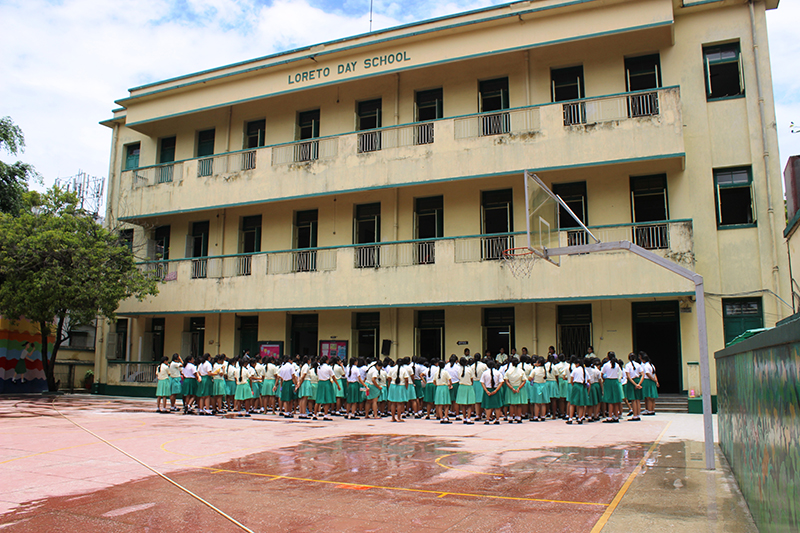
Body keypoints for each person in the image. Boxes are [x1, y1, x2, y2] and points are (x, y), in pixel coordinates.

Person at [601, 351, 624, 423]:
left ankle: (610, 417)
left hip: (608, 381)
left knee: (610, 400)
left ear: (608, 357)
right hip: (615, 382)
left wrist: (604, 379)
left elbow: (602, 374)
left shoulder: (606, 365)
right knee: (616, 400)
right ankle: (616, 416)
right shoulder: (617, 365)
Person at [504, 358, 527, 423]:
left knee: (512, 404)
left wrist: (512, 388)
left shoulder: (508, 371)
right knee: (519, 404)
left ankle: (511, 417)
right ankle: (518, 417)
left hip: (511, 388)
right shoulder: (521, 371)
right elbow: (524, 381)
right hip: (519, 388)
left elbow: (506, 381)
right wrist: (519, 388)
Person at [566, 359, 589, 424]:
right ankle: (580, 418)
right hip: (582, 386)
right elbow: (587, 380)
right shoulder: (585, 371)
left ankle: (570, 418)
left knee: (573, 403)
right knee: (581, 403)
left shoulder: (575, 370)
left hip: (576, 385)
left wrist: (574, 386)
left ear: (578, 364)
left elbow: (571, 380)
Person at [455, 357, 476, 423]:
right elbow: (472, 379)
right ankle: (469, 418)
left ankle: (464, 418)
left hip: (461, 387)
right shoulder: (469, 369)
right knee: (469, 404)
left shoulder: (458, 370)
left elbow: (458, 378)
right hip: (468, 386)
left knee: (463, 404)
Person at [528, 356, 550, 422]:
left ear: (539, 363)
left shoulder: (535, 370)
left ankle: (536, 416)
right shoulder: (545, 370)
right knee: (543, 403)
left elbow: (529, 378)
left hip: (536, 385)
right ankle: (543, 416)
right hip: (544, 385)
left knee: (536, 403)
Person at [624, 352, 644, 421]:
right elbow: (643, 375)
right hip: (638, 380)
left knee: (633, 400)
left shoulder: (627, 365)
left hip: (632, 382)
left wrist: (635, 384)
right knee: (638, 399)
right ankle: (638, 414)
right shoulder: (638, 365)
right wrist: (639, 384)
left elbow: (628, 376)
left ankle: (635, 415)